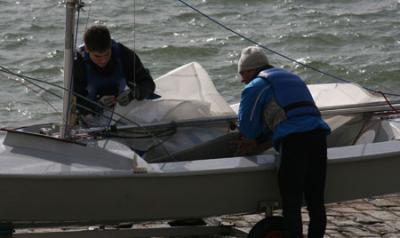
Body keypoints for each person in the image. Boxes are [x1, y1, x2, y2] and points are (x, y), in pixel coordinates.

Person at [236, 46, 331, 238]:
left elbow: (247, 130)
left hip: (295, 143)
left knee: (291, 202)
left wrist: (250, 142)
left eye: (242, 74)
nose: (241, 80)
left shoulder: (255, 86)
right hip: (318, 138)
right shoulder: (291, 77)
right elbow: (292, 115)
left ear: (249, 70)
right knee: (315, 201)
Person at [73, 25, 155, 123]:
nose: (103, 60)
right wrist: (96, 105)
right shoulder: (77, 62)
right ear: (87, 49)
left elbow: (148, 84)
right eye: (97, 56)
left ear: (110, 45)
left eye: (107, 54)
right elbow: (73, 103)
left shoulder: (124, 55)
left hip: (119, 111)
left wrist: (133, 94)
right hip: (89, 117)